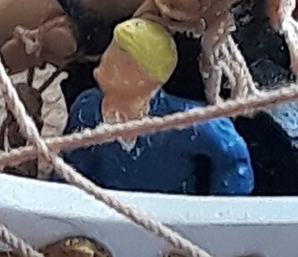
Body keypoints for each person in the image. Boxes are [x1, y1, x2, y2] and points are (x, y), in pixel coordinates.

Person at [64, 18, 253, 195]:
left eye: (125, 62)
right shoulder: (88, 109)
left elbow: (233, 154)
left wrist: (222, 206)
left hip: (169, 213)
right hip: (107, 208)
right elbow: (74, 166)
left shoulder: (182, 121)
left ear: (150, 79)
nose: (108, 59)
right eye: (112, 49)